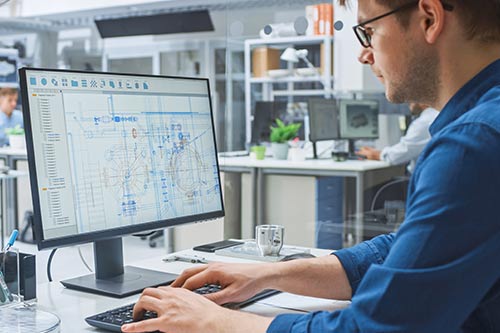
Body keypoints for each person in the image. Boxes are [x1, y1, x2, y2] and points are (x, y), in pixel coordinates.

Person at [122, 1, 500, 332]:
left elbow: (378, 328)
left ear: (430, 18)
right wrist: (269, 275)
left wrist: (217, 322)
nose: (364, 54)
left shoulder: (472, 145)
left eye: (368, 31)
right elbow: (411, 251)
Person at [357, 103, 438, 173]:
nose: (408, 101)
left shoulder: (424, 122)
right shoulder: (436, 115)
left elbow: (400, 153)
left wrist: (376, 154)